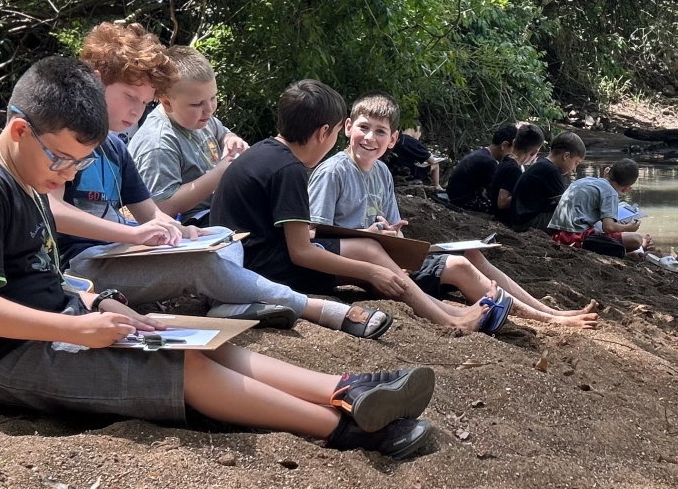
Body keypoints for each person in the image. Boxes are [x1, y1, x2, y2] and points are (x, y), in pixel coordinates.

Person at [0, 56, 438, 459]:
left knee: (190, 335)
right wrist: (74, 328)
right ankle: (346, 429)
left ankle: (344, 389)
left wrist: (98, 301)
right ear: (19, 130)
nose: (68, 174)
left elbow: (42, 277)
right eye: (62, 160)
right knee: (181, 364)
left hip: (52, 325)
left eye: (78, 164)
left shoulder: (29, 180)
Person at [46, 24, 392, 340]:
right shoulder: (67, 139)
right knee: (202, 264)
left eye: (144, 102)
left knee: (223, 236)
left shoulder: (115, 148)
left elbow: (150, 213)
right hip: (81, 265)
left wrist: (181, 232)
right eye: (130, 98)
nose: (138, 111)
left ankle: (227, 301)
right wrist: (132, 234)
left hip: (118, 252)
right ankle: (316, 308)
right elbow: (53, 211)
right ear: (96, 81)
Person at [209, 79, 492, 334]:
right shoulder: (288, 169)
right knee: (368, 253)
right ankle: (449, 321)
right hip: (255, 270)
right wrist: (370, 271)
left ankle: (448, 311)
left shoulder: (265, 152)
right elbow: (301, 252)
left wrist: (369, 267)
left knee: (369, 258)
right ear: (324, 132)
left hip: (245, 261)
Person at [311, 94, 598, 331]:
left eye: (380, 132)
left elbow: (394, 227)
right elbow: (313, 236)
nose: (369, 138)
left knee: (471, 253)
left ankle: (547, 312)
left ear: (393, 139)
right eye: (363, 128)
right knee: (459, 265)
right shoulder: (334, 171)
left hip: (387, 256)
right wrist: (369, 236)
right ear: (348, 127)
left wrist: (396, 238)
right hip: (357, 265)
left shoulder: (382, 172)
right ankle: (547, 320)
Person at [128, 46, 250, 223]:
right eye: (197, 104)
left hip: (220, 209)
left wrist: (232, 140)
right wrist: (219, 175)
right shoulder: (158, 143)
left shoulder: (200, 119)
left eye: (213, 98)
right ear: (167, 103)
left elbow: (223, 133)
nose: (209, 109)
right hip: (191, 223)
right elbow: (161, 207)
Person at [549, 157, 650, 256]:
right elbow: (608, 227)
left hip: (557, 234)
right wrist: (628, 227)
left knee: (612, 228)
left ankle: (625, 252)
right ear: (626, 188)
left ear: (607, 171)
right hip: (574, 238)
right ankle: (626, 253)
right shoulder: (610, 193)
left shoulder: (586, 180)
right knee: (637, 239)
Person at [505, 131, 584, 231]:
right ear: (566, 156)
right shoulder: (551, 171)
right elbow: (565, 206)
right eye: (576, 163)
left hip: (519, 219)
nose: (574, 169)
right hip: (527, 222)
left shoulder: (543, 165)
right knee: (575, 218)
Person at [444, 123, 517, 212]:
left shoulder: (482, 154)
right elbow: (494, 194)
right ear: (504, 145)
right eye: (514, 150)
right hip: (463, 202)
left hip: (457, 197)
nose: (513, 154)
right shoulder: (489, 162)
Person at [491, 124, 546, 222]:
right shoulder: (514, 169)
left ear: (514, 142)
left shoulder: (506, 160)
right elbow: (502, 203)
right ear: (534, 152)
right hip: (506, 218)